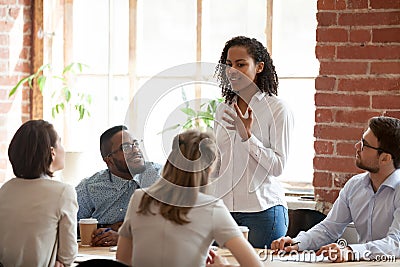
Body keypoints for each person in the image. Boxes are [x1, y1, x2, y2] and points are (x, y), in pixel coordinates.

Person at [116, 130, 262, 267]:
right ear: (209, 168)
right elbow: (254, 265)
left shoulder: (139, 198)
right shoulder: (212, 208)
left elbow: (122, 260)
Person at [271, 116, 400, 262]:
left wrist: (351, 251)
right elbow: (329, 228)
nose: (357, 146)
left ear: (385, 158)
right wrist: (298, 243)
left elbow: (397, 243)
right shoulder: (354, 185)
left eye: (364, 144)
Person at [212, 36, 294, 248]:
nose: (232, 70)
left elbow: (277, 167)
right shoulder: (223, 109)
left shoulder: (277, 109)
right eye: (228, 65)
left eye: (241, 64)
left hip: (263, 213)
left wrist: (247, 136)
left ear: (259, 67)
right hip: (223, 213)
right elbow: (218, 164)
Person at [0, 120, 78, 266]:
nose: (64, 148)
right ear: (52, 152)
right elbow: (68, 256)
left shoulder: (4, 190)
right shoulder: (63, 192)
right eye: (60, 142)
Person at [75, 125, 162, 246]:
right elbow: (67, 224)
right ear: (109, 160)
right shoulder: (90, 187)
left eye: (136, 144)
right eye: (125, 147)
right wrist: (103, 228)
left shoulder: (159, 177)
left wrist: (124, 234)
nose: (136, 150)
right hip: (98, 256)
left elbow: (172, 222)